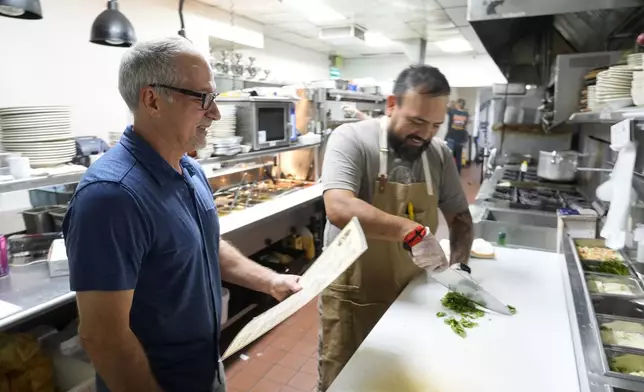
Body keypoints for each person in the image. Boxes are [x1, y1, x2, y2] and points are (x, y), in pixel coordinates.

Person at [63, 36, 302, 392]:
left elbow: (205, 246)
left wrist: (270, 281)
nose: (216, 113)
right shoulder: (112, 197)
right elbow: (104, 339)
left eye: (214, 98)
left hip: (205, 368)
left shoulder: (188, 170)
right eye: (202, 98)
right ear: (152, 99)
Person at [318, 65, 474, 391]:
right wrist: (412, 231)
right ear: (392, 104)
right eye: (416, 122)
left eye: (435, 125)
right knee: (345, 381)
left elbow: (460, 216)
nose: (426, 134)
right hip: (353, 295)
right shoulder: (351, 139)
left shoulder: (439, 155)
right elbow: (339, 207)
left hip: (410, 291)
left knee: (398, 380)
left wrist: (460, 265)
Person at [445, 98, 470, 173]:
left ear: (458, 104)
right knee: (458, 158)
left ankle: (448, 175)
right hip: (460, 139)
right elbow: (465, 125)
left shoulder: (452, 111)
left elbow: (446, 106)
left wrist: (450, 103)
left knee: (449, 158)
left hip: (451, 137)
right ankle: (458, 174)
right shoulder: (466, 114)